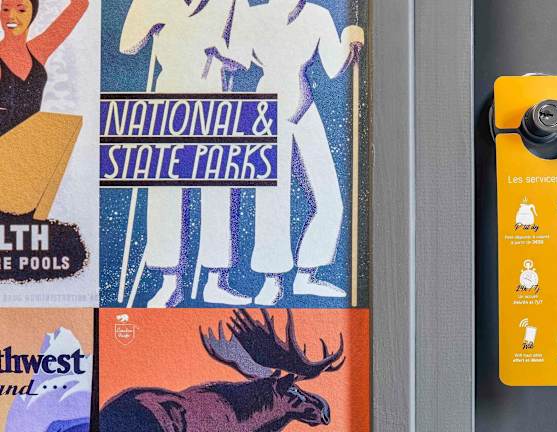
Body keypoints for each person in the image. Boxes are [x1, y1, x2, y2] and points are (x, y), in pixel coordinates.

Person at [227, 0, 364, 304]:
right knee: (271, 201)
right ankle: (271, 281)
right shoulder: (252, 15)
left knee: (330, 198)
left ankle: (306, 275)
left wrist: (350, 40)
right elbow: (237, 59)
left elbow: (333, 66)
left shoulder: (319, 15)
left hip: (304, 107)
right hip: (266, 107)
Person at [119, 0, 251, 306]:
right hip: (169, 99)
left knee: (218, 189)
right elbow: (127, 44)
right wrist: (152, 21)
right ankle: (170, 284)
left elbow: (243, 58)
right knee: (166, 191)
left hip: (214, 99)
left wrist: (222, 52)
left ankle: (216, 281)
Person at [0, 0, 88, 135]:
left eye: (21, 10)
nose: (11, 16)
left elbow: (80, 4)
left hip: (30, 141)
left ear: (32, 14)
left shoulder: (38, 50)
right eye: (5, 9)